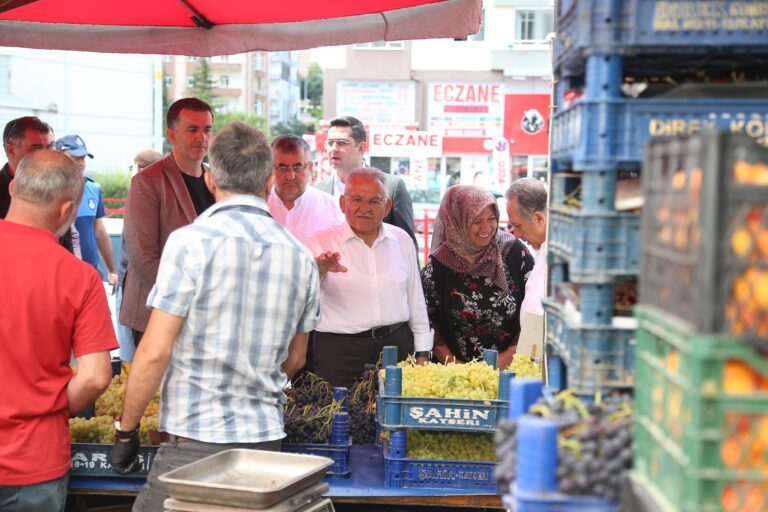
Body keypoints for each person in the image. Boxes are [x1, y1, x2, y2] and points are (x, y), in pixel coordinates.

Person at [110, 122, 320, 512]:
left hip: (194, 443)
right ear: (271, 179)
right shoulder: (301, 256)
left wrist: (126, 430)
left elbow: (154, 352)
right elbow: (296, 359)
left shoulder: (189, 244)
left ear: (210, 177)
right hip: (265, 446)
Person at [0, 150, 116, 512]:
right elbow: (96, 377)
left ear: (14, 186)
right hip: (33, 461)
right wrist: (47, 406)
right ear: (67, 211)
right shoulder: (79, 277)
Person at [307, 167, 432, 388]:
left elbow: (416, 302)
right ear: (343, 203)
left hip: (397, 349)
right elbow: (301, 300)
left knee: (395, 420)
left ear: (387, 207)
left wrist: (423, 353)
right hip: (339, 352)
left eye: (374, 201)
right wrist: (318, 270)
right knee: (338, 419)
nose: (365, 208)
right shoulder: (319, 241)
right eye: (357, 199)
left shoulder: (401, 240)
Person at [121, 98, 215, 348]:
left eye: (207, 129)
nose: (202, 138)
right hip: (159, 313)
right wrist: (189, 303)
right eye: (192, 129)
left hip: (209, 317)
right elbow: (143, 257)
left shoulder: (217, 181)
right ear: (172, 135)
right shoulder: (147, 182)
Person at [421, 185, 534, 370]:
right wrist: (455, 365)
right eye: (476, 221)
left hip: (512, 368)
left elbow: (535, 307)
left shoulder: (514, 252)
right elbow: (426, 318)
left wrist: (510, 356)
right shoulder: (440, 263)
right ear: (458, 220)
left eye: (491, 219)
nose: (486, 228)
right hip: (455, 374)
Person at [315, 116, 418, 251]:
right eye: (330, 143)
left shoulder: (392, 187)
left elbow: (407, 247)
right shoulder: (318, 191)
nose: (333, 148)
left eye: (341, 143)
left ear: (361, 148)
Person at [116, 149, 164, 363]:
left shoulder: (144, 196)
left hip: (140, 293)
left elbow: (142, 254)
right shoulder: (161, 194)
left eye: (133, 167)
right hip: (136, 288)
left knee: (131, 361)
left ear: (142, 170)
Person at [56, 134, 118, 287]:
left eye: (83, 158)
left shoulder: (92, 189)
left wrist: (112, 270)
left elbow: (99, 232)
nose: (81, 163)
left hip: (91, 273)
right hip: (61, 275)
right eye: (75, 157)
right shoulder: (49, 190)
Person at [267, 134, 343, 247]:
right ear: (271, 168)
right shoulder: (258, 207)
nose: (290, 175)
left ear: (310, 168)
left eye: (297, 167)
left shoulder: (332, 208)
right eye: (282, 168)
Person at [506, 178, 548, 324]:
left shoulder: (560, 255)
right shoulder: (542, 250)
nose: (516, 234)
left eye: (518, 226)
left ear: (539, 218)